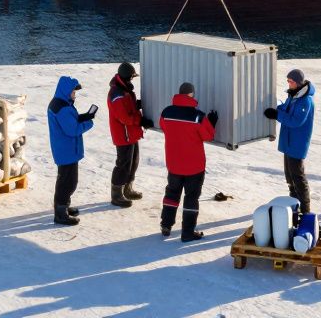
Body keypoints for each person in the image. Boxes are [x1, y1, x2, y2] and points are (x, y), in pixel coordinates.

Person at [158, 82, 217, 242]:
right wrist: (212, 122)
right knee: (191, 198)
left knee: (172, 193)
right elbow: (208, 135)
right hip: (194, 165)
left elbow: (163, 126)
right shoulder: (198, 116)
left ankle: (166, 225)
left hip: (174, 162)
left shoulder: (166, 112)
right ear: (192, 95)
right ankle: (187, 232)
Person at [263, 68, 315, 216]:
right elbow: (285, 109)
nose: (288, 83)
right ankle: (294, 204)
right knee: (290, 175)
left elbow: (296, 121)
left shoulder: (305, 100)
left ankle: (305, 210)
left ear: (298, 82)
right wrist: (275, 110)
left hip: (297, 144)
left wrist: (277, 114)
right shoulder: (293, 96)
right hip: (289, 142)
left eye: (290, 81)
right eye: (288, 81)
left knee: (298, 176)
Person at [47, 75, 97, 226]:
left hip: (65, 149)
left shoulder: (61, 103)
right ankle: (60, 214)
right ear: (66, 91)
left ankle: (63, 207)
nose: (74, 95)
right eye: (73, 92)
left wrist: (83, 116)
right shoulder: (62, 108)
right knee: (68, 182)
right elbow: (72, 129)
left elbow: (71, 121)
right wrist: (88, 122)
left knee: (66, 180)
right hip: (66, 150)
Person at [107, 61, 154, 207]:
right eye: (131, 77)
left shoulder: (124, 90)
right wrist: (141, 121)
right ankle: (116, 194)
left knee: (133, 162)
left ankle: (127, 189)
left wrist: (137, 105)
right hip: (123, 135)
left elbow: (129, 108)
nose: (132, 79)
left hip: (131, 133)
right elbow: (124, 117)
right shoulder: (117, 94)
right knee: (123, 164)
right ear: (126, 77)